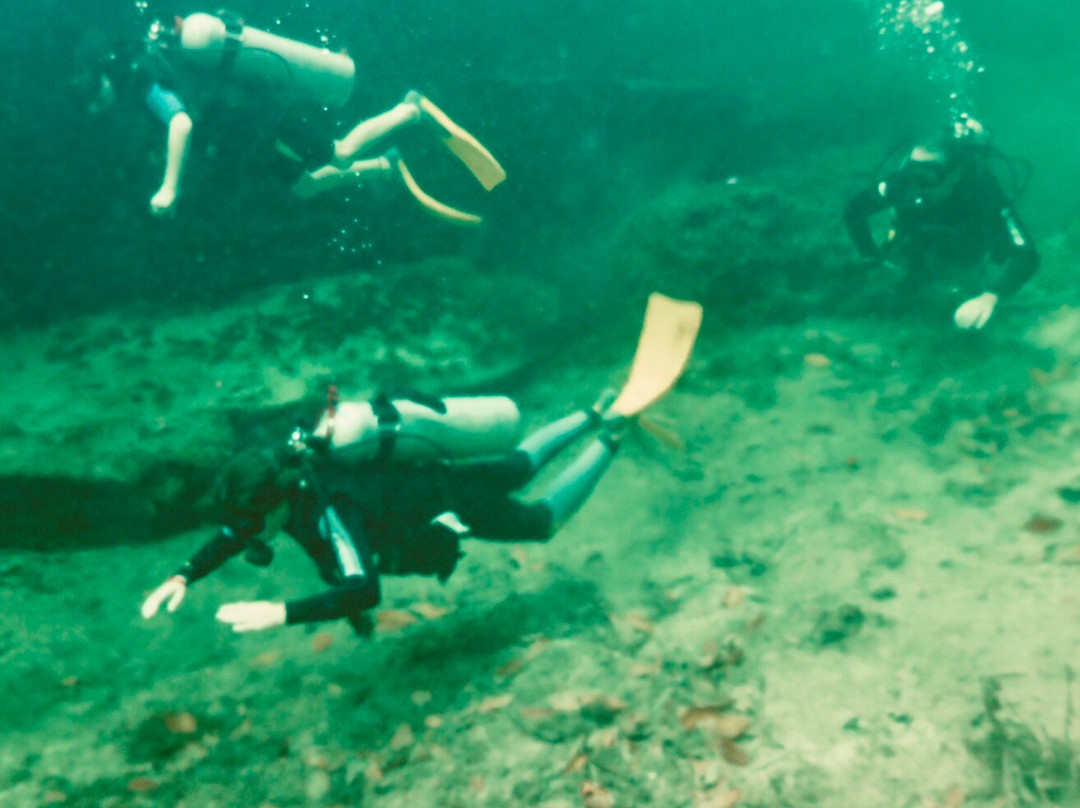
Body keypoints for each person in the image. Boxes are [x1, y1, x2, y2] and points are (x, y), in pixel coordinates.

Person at [140, 294, 704, 634]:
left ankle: (612, 434)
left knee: (541, 522)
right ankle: (592, 410)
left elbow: (363, 592)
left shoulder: (330, 512)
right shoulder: (291, 474)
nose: (243, 536)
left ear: (279, 503)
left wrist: (281, 613)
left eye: (248, 524)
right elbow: (235, 530)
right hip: (427, 478)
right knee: (515, 465)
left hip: (443, 500)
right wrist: (184, 573)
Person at [74, 12, 505, 224]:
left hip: (257, 115)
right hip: (242, 131)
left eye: (95, 101)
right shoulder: (147, 66)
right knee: (306, 187)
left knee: (338, 153)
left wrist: (169, 188)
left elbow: (181, 123)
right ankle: (385, 166)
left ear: (100, 77)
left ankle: (410, 109)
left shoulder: (138, 76)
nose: (99, 110)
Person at [843, 118, 1038, 330]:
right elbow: (853, 212)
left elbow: (1027, 254)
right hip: (913, 252)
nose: (916, 182)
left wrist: (990, 297)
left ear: (954, 173)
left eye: (927, 173)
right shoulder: (902, 182)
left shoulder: (982, 192)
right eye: (912, 169)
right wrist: (872, 259)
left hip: (963, 258)